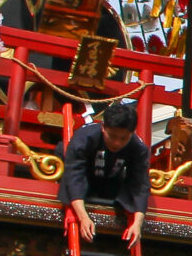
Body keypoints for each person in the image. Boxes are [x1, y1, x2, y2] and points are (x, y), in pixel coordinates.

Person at [61, 98, 150, 248]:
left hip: (111, 180)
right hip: (84, 178)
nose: (117, 143)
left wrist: (138, 224)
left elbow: (140, 183)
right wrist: (83, 217)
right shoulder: (84, 138)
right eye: (113, 136)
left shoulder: (138, 147)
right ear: (103, 127)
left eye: (123, 138)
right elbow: (74, 176)